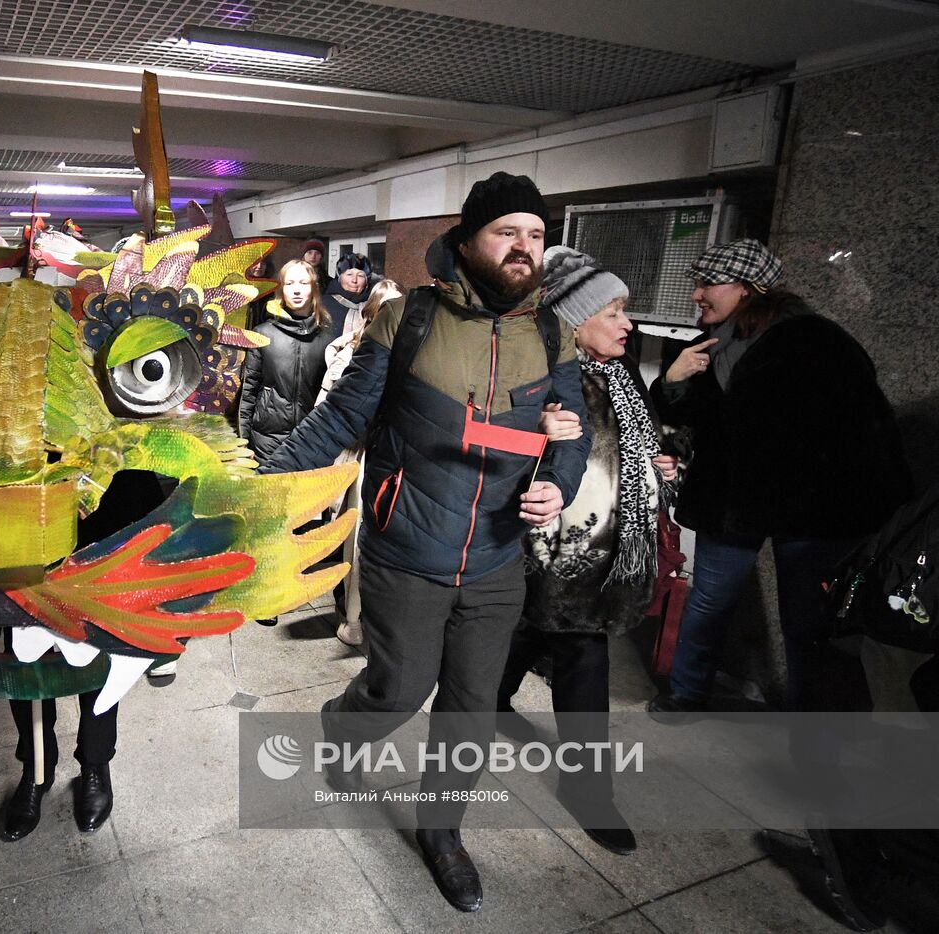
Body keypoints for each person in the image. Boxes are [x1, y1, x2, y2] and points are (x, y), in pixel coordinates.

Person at [262, 172, 592, 912]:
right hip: (409, 549)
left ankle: (442, 833)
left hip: (498, 560)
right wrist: (260, 489)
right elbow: (338, 422)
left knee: (471, 711)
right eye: (508, 232)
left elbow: (573, 432)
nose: (524, 248)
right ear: (468, 240)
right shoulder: (407, 321)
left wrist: (560, 482)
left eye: (536, 235)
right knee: (400, 689)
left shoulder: (552, 332)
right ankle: (341, 729)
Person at [646, 239, 910, 715]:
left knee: (806, 621)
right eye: (697, 284)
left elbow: (862, 424)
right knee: (710, 602)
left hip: (810, 509)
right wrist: (673, 380)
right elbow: (688, 416)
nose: (696, 295)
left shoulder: (817, 340)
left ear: (748, 287)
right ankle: (686, 692)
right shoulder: (710, 344)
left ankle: (809, 722)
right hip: (733, 500)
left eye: (708, 284)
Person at [497, 247, 679, 855]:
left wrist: (655, 463)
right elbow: (505, 445)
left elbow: (636, 443)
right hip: (557, 548)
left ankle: (495, 699)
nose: (629, 323)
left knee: (536, 633)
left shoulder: (623, 377)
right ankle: (588, 788)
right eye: (614, 311)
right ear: (575, 319)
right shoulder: (544, 376)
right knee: (582, 651)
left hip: (609, 545)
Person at [0, 470, 168, 841]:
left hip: (109, 508)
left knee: (101, 657)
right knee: (27, 658)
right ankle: (36, 768)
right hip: (26, 507)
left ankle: (95, 763)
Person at [316, 278, 403, 648]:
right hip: (357, 461)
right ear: (373, 315)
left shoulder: (412, 356)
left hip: (394, 463)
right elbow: (329, 413)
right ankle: (350, 613)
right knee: (351, 538)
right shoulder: (350, 355)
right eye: (388, 311)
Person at [238, 260, 338, 465]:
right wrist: (243, 442)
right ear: (281, 289)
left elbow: (331, 394)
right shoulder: (263, 334)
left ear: (314, 288)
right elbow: (249, 392)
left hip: (310, 437)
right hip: (267, 439)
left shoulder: (327, 337)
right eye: (289, 283)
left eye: (303, 283)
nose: (296, 290)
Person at [321, 252, 372, 336]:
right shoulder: (323, 304)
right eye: (349, 274)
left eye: (360, 276)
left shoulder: (373, 305)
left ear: (367, 282)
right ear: (339, 278)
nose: (354, 280)